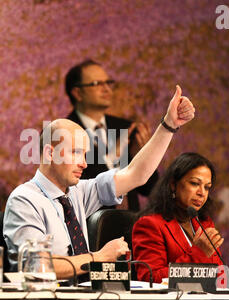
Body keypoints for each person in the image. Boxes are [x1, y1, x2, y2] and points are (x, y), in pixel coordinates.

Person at [4, 83, 195, 280]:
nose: (84, 164)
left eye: (84, 154)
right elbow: (36, 267)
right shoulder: (24, 200)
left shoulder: (78, 192)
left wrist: (169, 125)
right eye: (76, 153)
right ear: (49, 153)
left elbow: (136, 174)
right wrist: (99, 257)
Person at [65, 59, 159, 211]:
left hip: (131, 225)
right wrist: (114, 157)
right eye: (97, 84)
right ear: (77, 93)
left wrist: (143, 156)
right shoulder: (61, 133)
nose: (107, 89)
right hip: (89, 227)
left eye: (108, 82)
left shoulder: (126, 128)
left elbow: (150, 189)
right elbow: (72, 189)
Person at [132, 152, 224, 284]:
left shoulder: (204, 223)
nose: (202, 193)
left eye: (207, 187)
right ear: (173, 185)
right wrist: (199, 253)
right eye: (194, 183)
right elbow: (151, 278)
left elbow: (219, 274)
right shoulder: (149, 225)